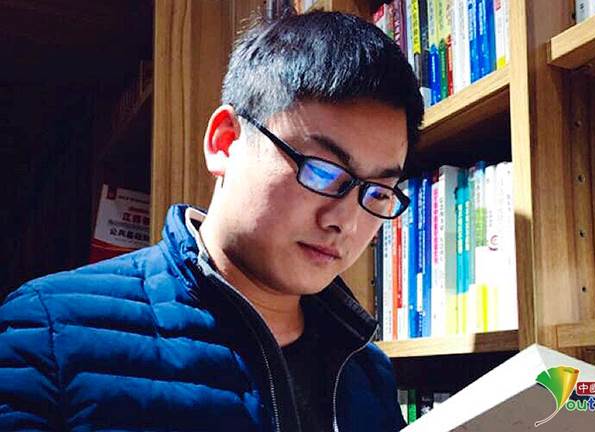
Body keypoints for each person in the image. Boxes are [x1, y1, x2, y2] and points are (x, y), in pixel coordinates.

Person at [0, 9, 423, 432]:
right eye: (321, 171)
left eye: (378, 192)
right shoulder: (49, 331)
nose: (345, 221)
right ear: (225, 142)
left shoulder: (367, 372)